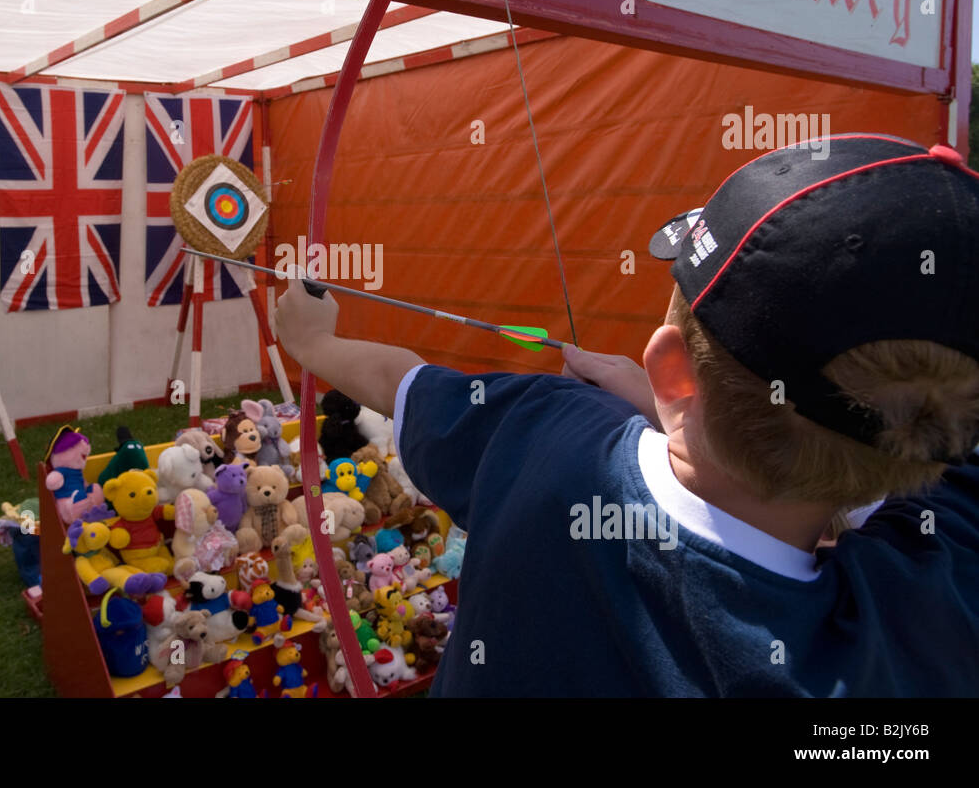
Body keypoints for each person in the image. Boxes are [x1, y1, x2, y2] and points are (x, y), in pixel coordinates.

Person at [273, 134, 979, 696]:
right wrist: (677, 408)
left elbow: (400, 378)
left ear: (672, 368)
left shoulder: (550, 435)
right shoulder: (923, 619)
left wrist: (312, 340)